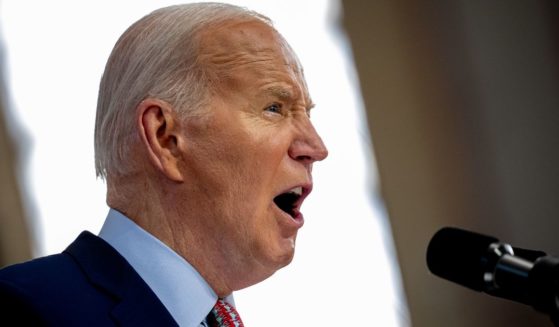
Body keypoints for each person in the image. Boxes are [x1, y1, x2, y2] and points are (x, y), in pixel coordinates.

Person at [0, 2, 328, 326]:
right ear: (165, 137)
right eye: (275, 108)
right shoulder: (25, 308)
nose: (316, 148)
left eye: (307, 114)